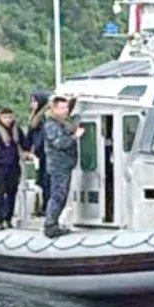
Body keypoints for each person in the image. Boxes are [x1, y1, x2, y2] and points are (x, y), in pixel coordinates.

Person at [42, 96, 85, 238]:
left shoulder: (63, 121)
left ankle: (53, 223)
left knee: (62, 194)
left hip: (66, 164)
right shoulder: (51, 124)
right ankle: (50, 225)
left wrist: (75, 99)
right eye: (62, 108)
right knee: (58, 194)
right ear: (54, 109)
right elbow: (60, 143)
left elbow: (70, 109)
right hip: (58, 165)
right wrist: (75, 136)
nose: (66, 110)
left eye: (66, 107)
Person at [26, 89, 52, 215]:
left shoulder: (46, 117)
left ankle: (47, 208)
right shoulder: (35, 117)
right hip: (41, 155)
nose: (32, 104)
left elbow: (42, 137)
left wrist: (35, 148)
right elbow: (30, 136)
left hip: (48, 154)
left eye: (34, 101)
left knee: (47, 181)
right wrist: (27, 150)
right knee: (41, 181)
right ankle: (43, 207)